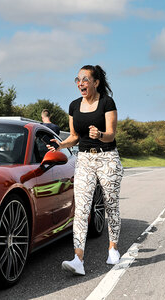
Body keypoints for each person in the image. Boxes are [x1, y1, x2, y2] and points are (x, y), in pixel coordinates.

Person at [49, 65, 123, 275]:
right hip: (84, 160)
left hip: (107, 157)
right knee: (81, 209)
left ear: (96, 82)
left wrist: (99, 134)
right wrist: (59, 145)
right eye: (78, 79)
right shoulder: (73, 106)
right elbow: (73, 137)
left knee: (111, 204)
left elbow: (111, 134)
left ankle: (113, 249)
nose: (80, 83)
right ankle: (78, 259)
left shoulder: (107, 102)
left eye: (85, 79)